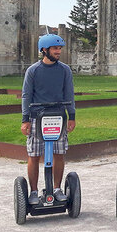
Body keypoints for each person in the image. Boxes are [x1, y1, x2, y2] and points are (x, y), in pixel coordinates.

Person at [21, 34, 76, 205]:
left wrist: (71, 116)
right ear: (44, 50)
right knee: (34, 155)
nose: (58, 51)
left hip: (58, 117)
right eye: (55, 48)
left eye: (59, 48)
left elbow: (69, 94)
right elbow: (26, 96)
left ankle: (57, 188)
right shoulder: (33, 71)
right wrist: (25, 119)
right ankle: (34, 191)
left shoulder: (65, 70)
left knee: (59, 153)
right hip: (37, 117)